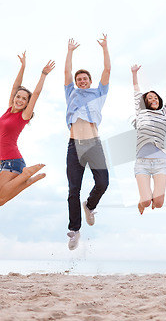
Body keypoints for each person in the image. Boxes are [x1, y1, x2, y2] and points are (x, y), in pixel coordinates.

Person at [64, 35, 110, 250]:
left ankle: (90, 206)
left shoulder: (98, 93)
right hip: (74, 145)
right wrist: (70, 51)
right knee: (74, 189)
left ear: (90, 82)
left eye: (85, 79)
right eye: (79, 79)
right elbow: (66, 73)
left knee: (103, 182)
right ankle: (74, 230)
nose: (82, 81)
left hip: (93, 143)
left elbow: (107, 71)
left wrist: (105, 48)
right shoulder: (71, 92)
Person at [0, 52, 55, 207]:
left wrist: (43, 74)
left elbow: (36, 95)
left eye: (23, 99)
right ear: (14, 98)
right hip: (6, 162)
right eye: (18, 97)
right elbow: (15, 86)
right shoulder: (8, 110)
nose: (19, 100)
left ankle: (26, 174)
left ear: (27, 103)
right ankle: (30, 179)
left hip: (13, 161)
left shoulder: (23, 116)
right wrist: (23, 66)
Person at [131, 64, 166, 215]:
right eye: (149, 98)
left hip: (160, 163)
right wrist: (134, 73)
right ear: (145, 102)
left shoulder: (164, 113)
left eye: (155, 97)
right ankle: (142, 203)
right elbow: (136, 92)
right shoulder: (140, 112)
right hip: (142, 163)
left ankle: (152, 201)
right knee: (146, 201)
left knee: (158, 204)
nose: (153, 99)